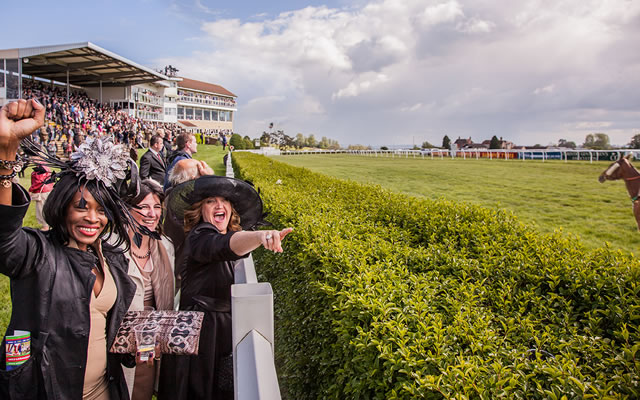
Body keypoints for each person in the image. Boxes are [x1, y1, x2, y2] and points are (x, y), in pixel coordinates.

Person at [0, 98, 138, 400]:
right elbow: (4, 239)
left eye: (101, 210)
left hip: (105, 390)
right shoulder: (37, 255)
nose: (92, 217)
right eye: (81, 207)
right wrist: (7, 152)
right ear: (62, 208)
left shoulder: (112, 258)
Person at [158, 175, 292, 400]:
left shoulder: (225, 234)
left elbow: (232, 242)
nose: (220, 205)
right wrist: (260, 236)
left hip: (219, 334)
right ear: (200, 210)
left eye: (225, 200)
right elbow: (221, 246)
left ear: (232, 209)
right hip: (200, 340)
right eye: (211, 201)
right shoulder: (199, 235)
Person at [121, 179, 175, 400]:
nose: (152, 213)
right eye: (143, 207)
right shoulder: (110, 247)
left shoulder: (165, 245)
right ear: (125, 209)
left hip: (150, 342)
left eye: (156, 207)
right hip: (118, 342)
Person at [28, 157, 54, 230]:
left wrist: (30, 190)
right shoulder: (45, 166)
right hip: (48, 189)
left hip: (43, 191)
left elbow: (39, 181)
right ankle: (49, 224)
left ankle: (45, 226)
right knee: (46, 207)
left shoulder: (41, 168)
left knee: (41, 208)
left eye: (34, 159)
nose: (32, 160)